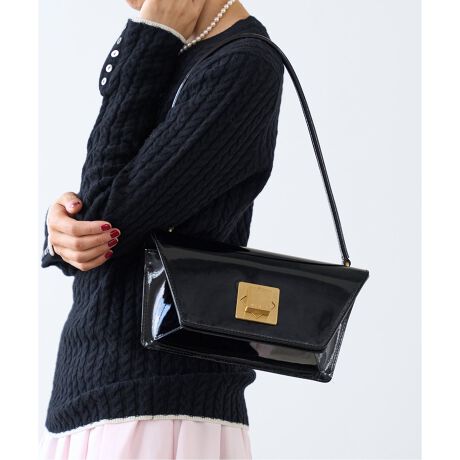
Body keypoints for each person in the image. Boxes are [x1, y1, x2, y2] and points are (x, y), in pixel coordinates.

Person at [39, 0, 284, 458]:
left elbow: (110, 216)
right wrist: (61, 228)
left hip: (163, 406)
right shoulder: (182, 52)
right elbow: (102, 206)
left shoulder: (243, 64)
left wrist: (149, 36)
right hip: (91, 388)